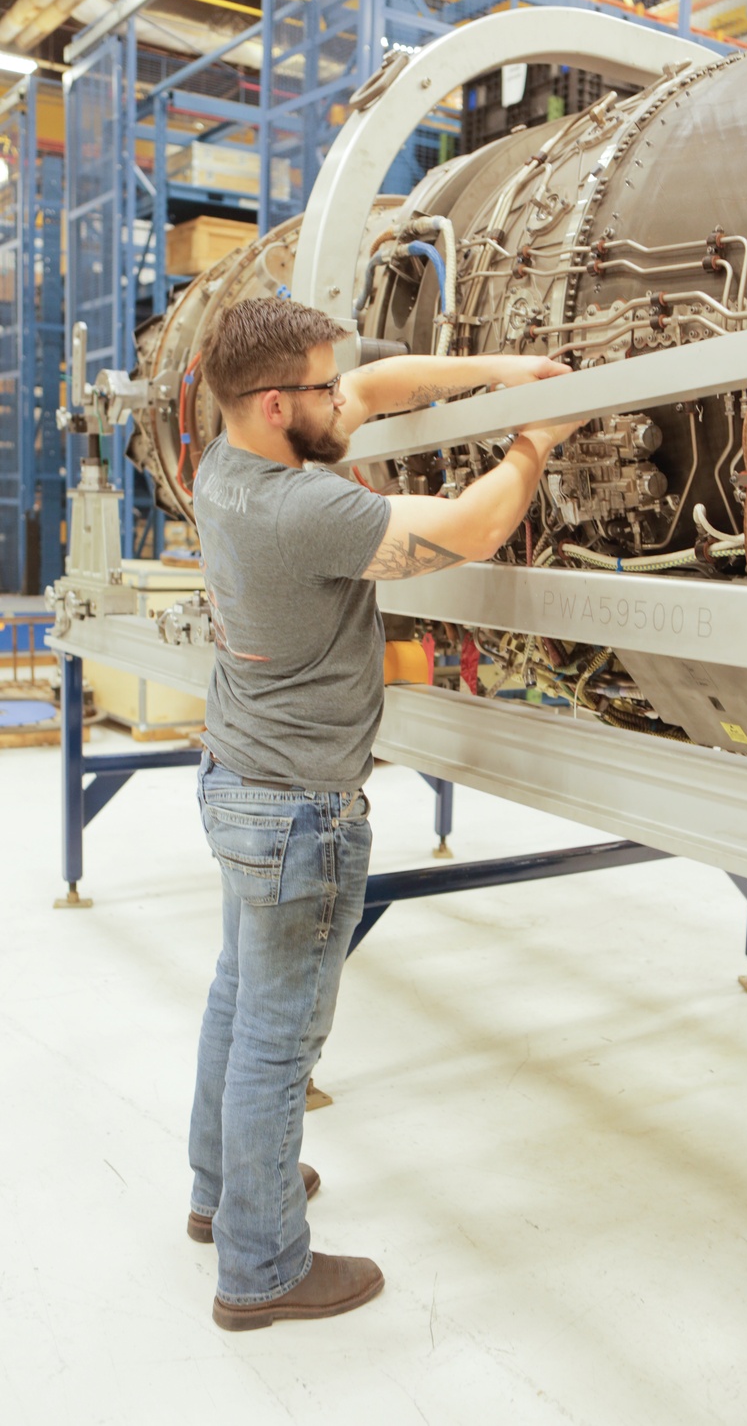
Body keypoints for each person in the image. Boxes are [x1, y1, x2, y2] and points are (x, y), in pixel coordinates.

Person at [187, 295, 584, 1331]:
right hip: (300, 809)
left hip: (237, 778)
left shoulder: (223, 460)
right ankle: (262, 1269)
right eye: (322, 387)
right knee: (280, 1039)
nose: (344, 398)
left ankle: (218, 1197)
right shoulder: (303, 510)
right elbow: (471, 529)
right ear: (278, 406)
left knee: (239, 1000)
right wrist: (533, 445)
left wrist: (499, 368)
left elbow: (378, 384)